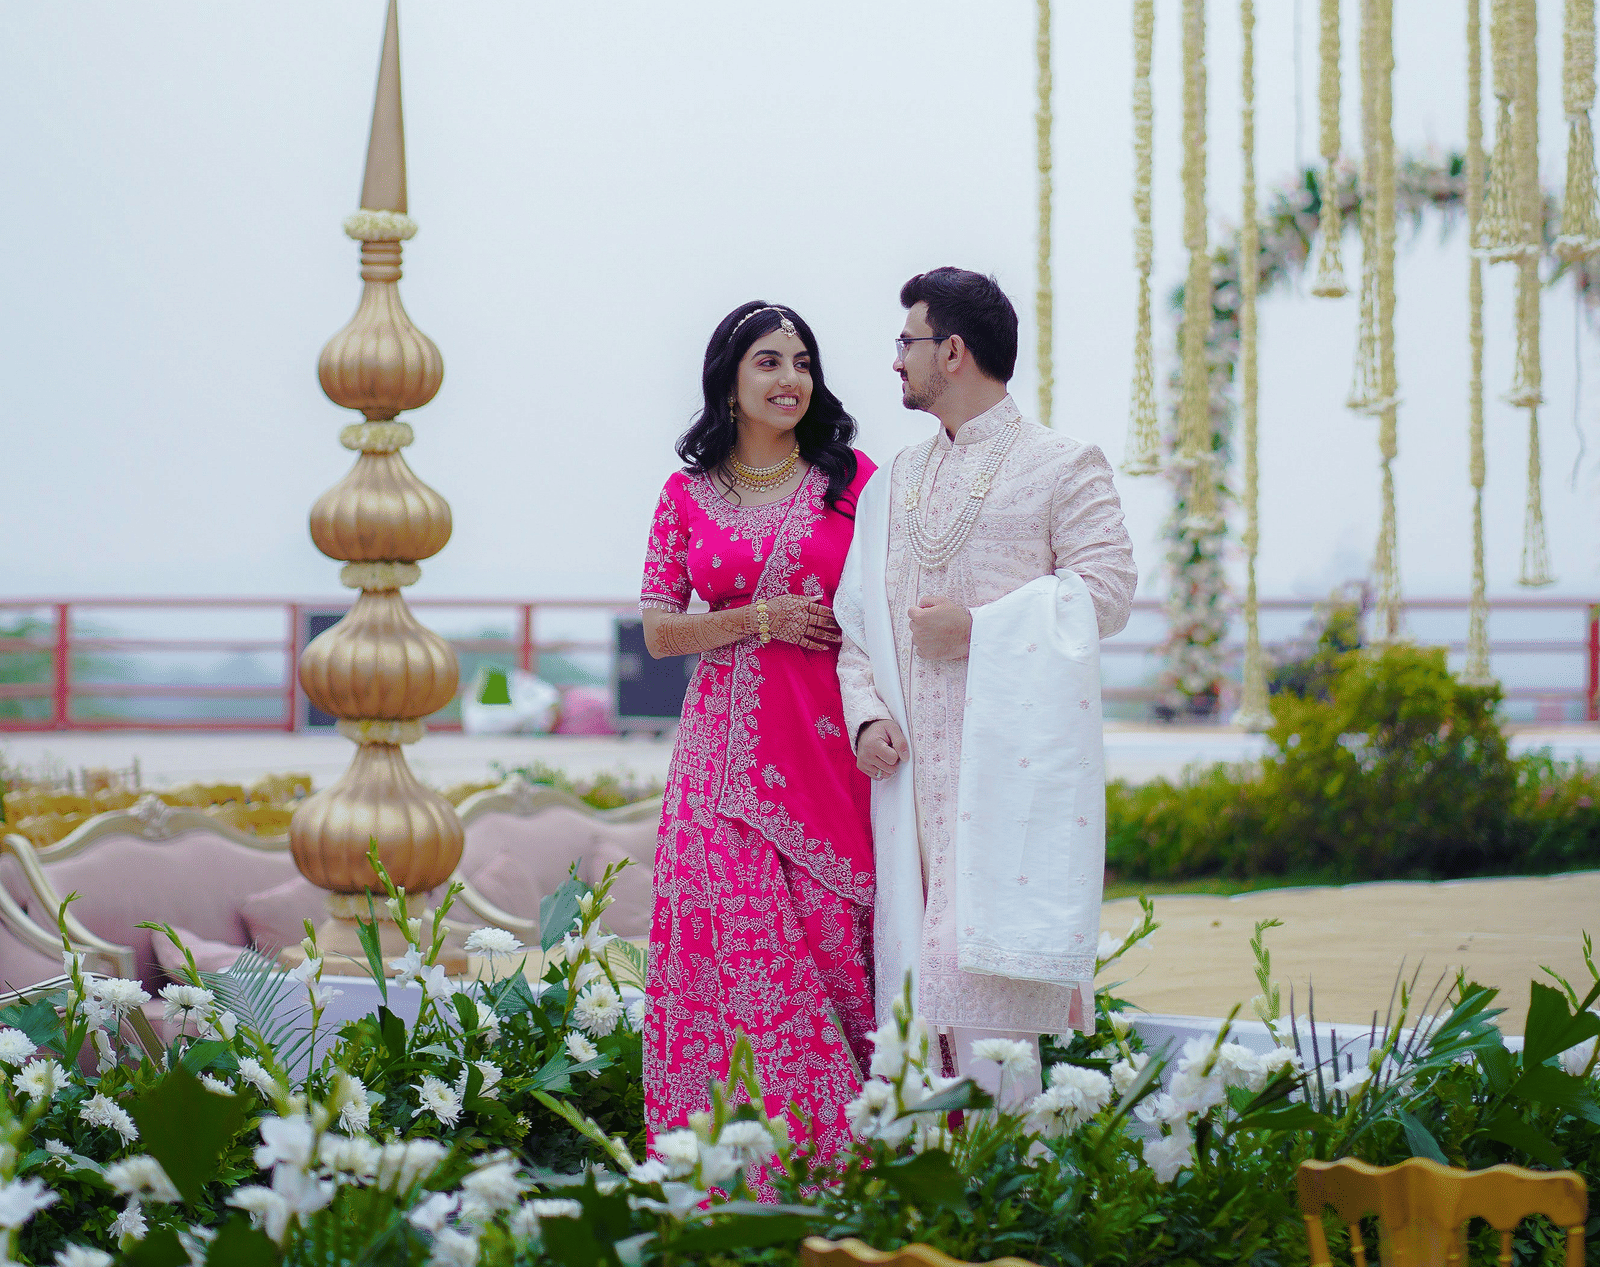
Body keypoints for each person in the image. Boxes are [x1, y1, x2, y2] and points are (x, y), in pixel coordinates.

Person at [834, 268, 1137, 1106]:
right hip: (903, 792)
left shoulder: (1062, 464)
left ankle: (1007, 1210)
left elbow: (1107, 590)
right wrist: (863, 716)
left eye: (908, 342)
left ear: (954, 351)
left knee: (994, 1031)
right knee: (910, 1020)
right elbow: (857, 623)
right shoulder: (890, 482)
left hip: (1003, 783)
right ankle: (924, 1205)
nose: (897, 360)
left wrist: (979, 629)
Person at [638, 301, 877, 1163]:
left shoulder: (854, 482)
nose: (791, 380)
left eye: (803, 362)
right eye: (770, 362)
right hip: (718, 762)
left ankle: (869, 1165)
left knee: (829, 942)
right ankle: (740, 1166)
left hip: (826, 746)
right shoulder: (686, 494)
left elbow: (883, 605)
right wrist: (759, 617)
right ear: (731, 383)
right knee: (730, 949)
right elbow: (661, 629)